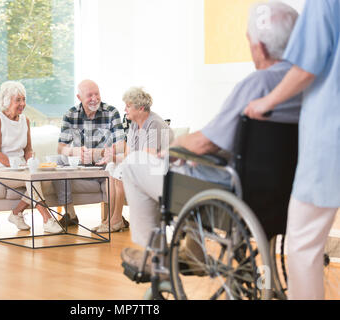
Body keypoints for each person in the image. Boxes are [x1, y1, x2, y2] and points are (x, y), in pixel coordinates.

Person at [120, 1, 301, 273]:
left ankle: (153, 258)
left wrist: (173, 148)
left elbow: (205, 142)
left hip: (233, 193)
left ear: (260, 47)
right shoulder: (310, 86)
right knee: (193, 165)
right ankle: (193, 248)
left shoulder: (259, 84)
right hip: (285, 195)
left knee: (135, 164)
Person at [244, 0, 340, 300]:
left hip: (330, 135)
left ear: (258, 46)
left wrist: (266, 102)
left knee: (302, 244)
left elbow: (307, 67)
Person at [93, 87, 173, 232]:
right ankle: (110, 218)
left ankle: (117, 219)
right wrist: (113, 157)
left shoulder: (154, 124)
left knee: (123, 169)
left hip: (159, 169)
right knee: (111, 168)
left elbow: (148, 157)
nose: (125, 109)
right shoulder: (134, 125)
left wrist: (124, 161)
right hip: (144, 165)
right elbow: (129, 155)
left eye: (128, 106)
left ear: (141, 108)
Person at [0, 81, 62, 233]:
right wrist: (17, 167)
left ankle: (16, 213)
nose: (22, 104)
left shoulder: (25, 120)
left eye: (24, 99)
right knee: (30, 178)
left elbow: (28, 149)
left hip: (21, 168)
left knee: (44, 180)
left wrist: (30, 161)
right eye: (18, 100)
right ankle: (47, 219)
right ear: (7, 102)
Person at [54, 80, 126, 227]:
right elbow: (61, 148)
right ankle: (70, 214)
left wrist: (96, 153)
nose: (95, 98)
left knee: (114, 168)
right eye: (89, 95)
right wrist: (76, 151)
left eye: (97, 94)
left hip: (105, 166)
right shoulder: (70, 115)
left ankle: (114, 218)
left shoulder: (111, 112)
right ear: (79, 97)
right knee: (58, 162)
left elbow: (120, 146)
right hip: (81, 168)